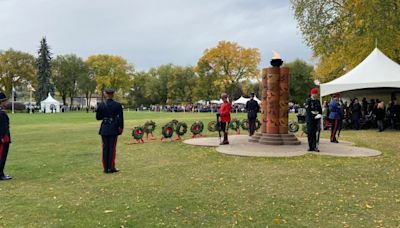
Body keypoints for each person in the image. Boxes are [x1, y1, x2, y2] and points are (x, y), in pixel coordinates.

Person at [96, 88, 124, 173]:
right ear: (113, 94)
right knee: (112, 148)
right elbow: (121, 118)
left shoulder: (101, 105)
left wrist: (105, 116)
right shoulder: (118, 105)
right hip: (114, 128)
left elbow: (98, 117)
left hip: (104, 128)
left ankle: (105, 168)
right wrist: (121, 128)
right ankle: (111, 167)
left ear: (105, 94)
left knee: (105, 148)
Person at [0, 92, 12, 180]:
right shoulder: (2, 113)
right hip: (3, 138)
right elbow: (4, 127)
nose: (6, 103)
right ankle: (0, 174)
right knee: (2, 156)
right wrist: (3, 137)